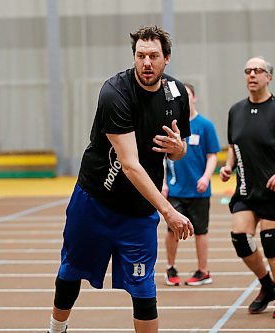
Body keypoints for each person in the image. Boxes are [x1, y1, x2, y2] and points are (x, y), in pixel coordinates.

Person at [47, 25, 194, 333]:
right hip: (94, 202)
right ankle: (55, 330)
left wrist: (178, 149)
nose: (147, 63)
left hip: (138, 212)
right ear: (134, 57)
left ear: (167, 59)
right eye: (141, 56)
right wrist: (168, 211)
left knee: (143, 288)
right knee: (71, 270)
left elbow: (177, 153)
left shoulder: (177, 93)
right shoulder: (115, 92)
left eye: (154, 56)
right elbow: (130, 164)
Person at [220, 57, 275, 319]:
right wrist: (228, 166)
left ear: (269, 77)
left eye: (258, 70)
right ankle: (267, 286)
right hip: (246, 189)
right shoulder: (235, 111)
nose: (252, 75)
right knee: (240, 239)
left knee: (270, 240)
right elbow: (234, 146)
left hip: (274, 189)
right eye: (248, 70)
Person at [162, 83, 220, 286]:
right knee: (172, 230)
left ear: (194, 98)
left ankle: (203, 271)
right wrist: (163, 182)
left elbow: (212, 155)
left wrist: (206, 177)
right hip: (175, 189)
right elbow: (161, 157)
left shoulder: (205, 125)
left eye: (187, 95)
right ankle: (170, 268)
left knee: (201, 231)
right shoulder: (170, 125)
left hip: (199, 191)